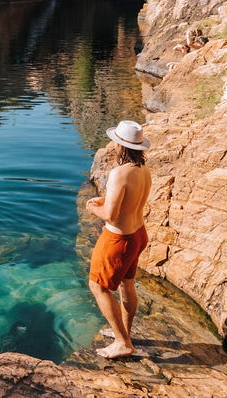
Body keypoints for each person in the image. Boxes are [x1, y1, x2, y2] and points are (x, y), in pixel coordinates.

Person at [85, 120, 152, 359]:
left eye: (115, 140)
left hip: (118, 239)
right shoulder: (142, 169)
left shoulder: (119, 173)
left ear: (120, 146)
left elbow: (111, 215)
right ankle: (124, 333)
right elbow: (129, 202)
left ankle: (123, 343)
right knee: (127, 283)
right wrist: (104, 201)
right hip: (138, 234)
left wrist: (92, 208)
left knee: (98, 287)